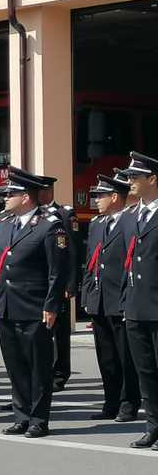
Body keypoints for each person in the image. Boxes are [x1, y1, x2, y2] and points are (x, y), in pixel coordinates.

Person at [0, 168, 71, 438]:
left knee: (37, 364)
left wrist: (51, 305)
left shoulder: (50, 225)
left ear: (25, 197)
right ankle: (21, 415)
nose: (5, 198)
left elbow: (56, 271)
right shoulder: (5, 223)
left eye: (10, 194)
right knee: (15, 364)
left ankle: (38, 418)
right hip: (8, 304)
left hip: (34, 305)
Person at [81, 174, 139, 422]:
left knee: (125, 356)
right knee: (105, 355)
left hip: (119, 297)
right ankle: (111, 400)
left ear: (115, 197)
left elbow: (132, 263)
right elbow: (90, 263)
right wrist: (87, 295)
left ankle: (129, 403)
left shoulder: (130, 221)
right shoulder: (96, 223)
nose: (96, 200)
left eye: (100, 195)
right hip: (100, 297)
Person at [120, 151, 158, 449]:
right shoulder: (131, 216)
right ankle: (153, 427)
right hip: (136, 306)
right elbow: (127, 262)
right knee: (145, 372)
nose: (130, 181)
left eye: (136, 177)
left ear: (153, 179)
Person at [34, 175, 81, 392]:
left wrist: (70, 284)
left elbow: (72, 251)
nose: (40, 195)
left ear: (50, 192)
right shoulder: (33, 216)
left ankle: (60, 373)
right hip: (37, 285)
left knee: (59, 332)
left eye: (43, 191)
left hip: (58, 283)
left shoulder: (64, 214)